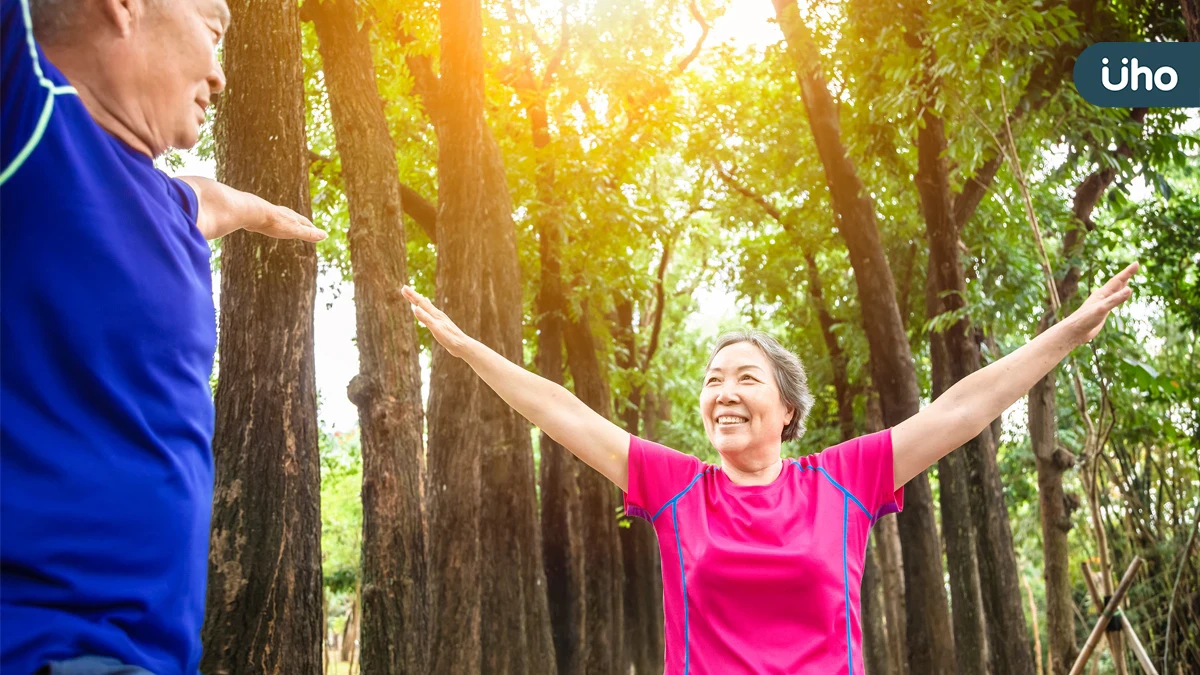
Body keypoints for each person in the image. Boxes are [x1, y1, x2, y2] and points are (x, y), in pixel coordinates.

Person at [400, 260, 1136, 674]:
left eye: (747, 378)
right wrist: (469, 349)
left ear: (787, 409)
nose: (724, 391)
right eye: (714, 378)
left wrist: (1061, 338)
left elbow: (960, 410)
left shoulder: (843, 480)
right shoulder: (676, 486)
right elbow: (561, 412)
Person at [1, 0, 325, 673]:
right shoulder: (29, 118)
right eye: (213, 32)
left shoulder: (165, 203)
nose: (221, 74)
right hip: (43, 643)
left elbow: (211, 200)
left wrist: (262, 212)